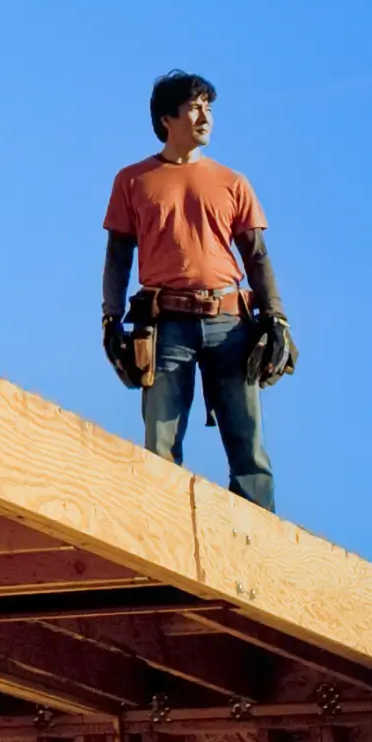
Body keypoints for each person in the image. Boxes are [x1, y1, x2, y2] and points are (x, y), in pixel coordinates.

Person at [100, 70, 297, 511]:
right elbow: (117, 257)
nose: (204, 114)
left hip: (231, 323)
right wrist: (111, 319)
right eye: (194, 106)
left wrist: (277, 319)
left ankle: (257, 543)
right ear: (167, 118)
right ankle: (162, 535)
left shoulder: (233, 182)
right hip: (166, 323)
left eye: (209, 105)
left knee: (248, 446)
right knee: (161, 443)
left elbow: (257, 257)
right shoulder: (133, 181)